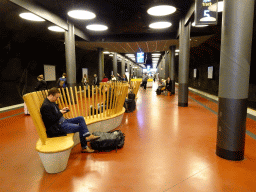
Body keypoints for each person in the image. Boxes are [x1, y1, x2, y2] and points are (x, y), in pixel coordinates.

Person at [40, 88, 100, 153]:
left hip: (63, 121)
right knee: (81, 127)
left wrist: (62, 110)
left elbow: (54, 112)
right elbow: (51, 120)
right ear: (51, 95)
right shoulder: (45, 106)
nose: (57, 99)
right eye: (56, 97)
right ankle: (85, 146)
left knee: (81, 118)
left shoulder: (51, 102)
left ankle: (87, 136)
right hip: (58, 127)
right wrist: (61, 113)